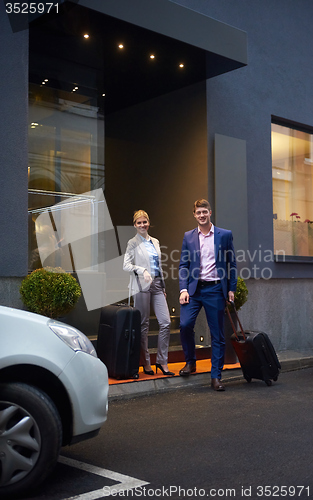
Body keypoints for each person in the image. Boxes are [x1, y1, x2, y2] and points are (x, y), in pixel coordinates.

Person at [179, 199, 237, 391]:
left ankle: (216, 376)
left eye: (205, 211)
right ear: (194, 215)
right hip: (194, 290)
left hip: (215, 290)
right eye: (198, 212)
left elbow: (232, 265)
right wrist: (183, 289)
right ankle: (190, 361)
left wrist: (231, 289)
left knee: (217, 334)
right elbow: (183, 266)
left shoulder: (224, 235)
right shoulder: (188, 237)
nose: (202, 215)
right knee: (185, 325)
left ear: (210, 212)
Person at [123, 210, 174, 376]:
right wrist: (142, 270)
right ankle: (146, 363)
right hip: (141, 285)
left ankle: (162, 361)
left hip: (157, 284)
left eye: (145, 222)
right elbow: (126, 265)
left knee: (165, 322)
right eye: (139, 223)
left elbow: (158, 266)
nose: (142, 225)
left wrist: (163, 288)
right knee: (143, 325)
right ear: (135, 225)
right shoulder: (132, 243)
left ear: (148, 223)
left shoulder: (155, 241)